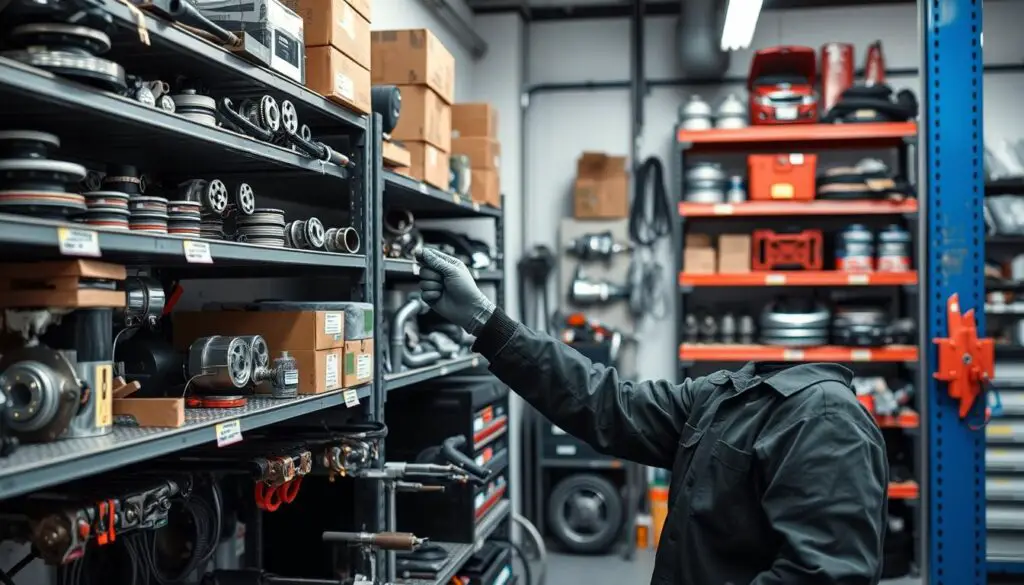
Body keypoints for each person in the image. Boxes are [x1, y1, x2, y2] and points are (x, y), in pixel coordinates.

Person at [414, 247, 890, 585]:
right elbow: (607, 402)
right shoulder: (729, 396)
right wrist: (481, 317)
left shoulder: (825, 420)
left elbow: (824, 575)